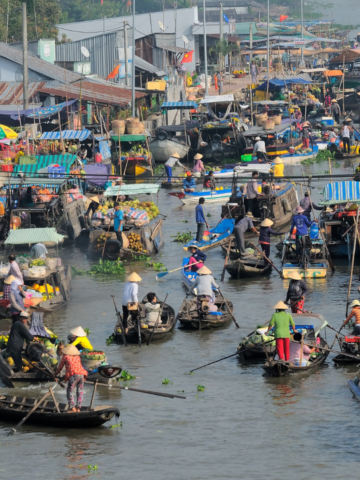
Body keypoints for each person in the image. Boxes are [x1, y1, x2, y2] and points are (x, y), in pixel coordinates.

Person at [55, 344, 88, 413]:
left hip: (74, 375)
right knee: (80, 391)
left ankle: (72, 408)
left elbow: (60, 367)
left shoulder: (65, 356)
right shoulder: (77, 357)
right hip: (82, 374)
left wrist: (55, 374)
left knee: (69, 391)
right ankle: (78, 408)